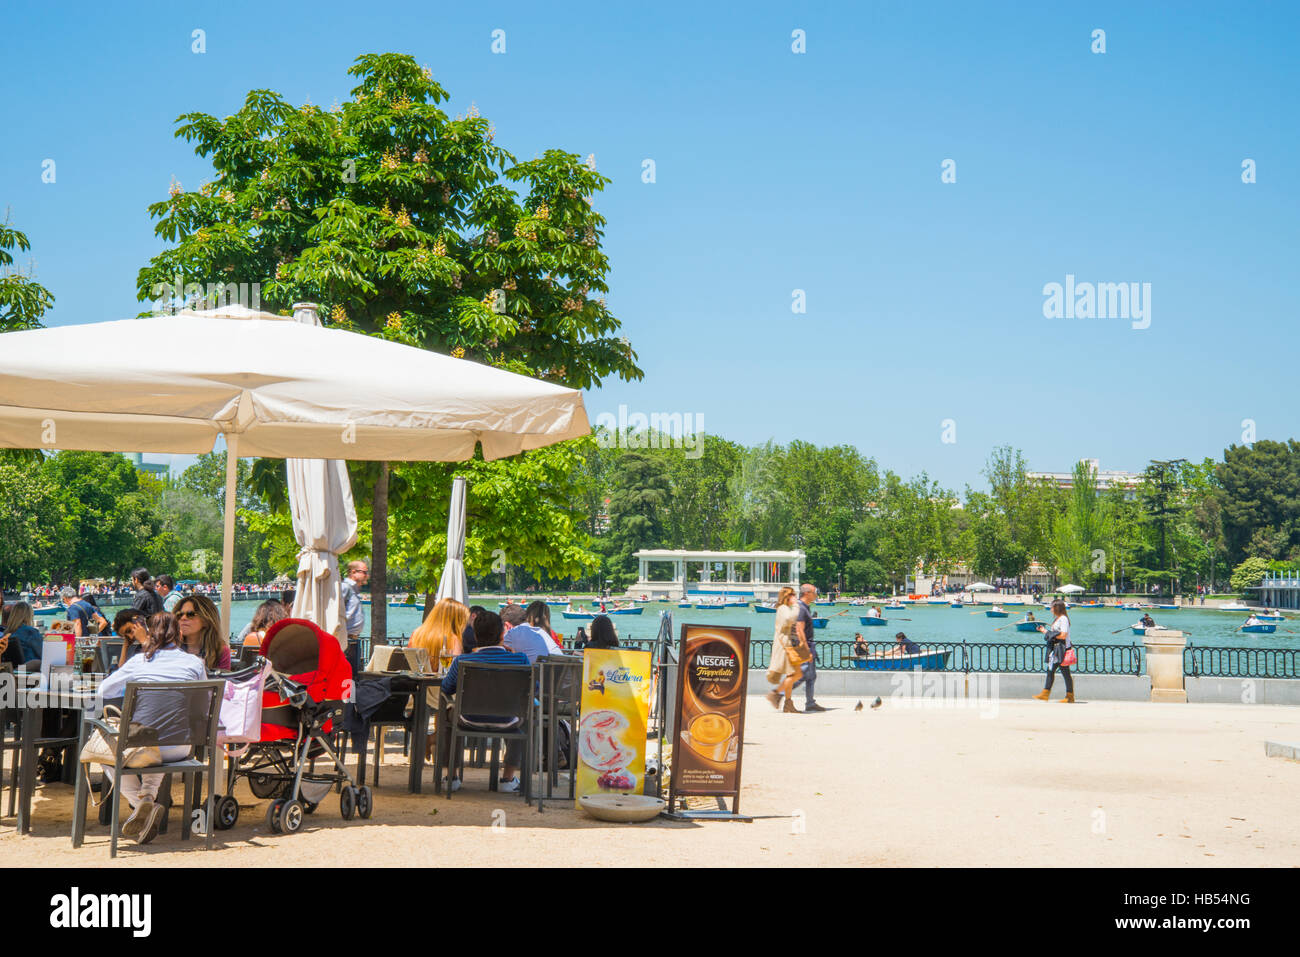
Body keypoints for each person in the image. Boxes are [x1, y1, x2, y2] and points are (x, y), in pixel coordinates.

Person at [96, 611, 207, 845]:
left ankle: (141, 805)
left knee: (106, 755)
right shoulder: (195, 663)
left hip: (144, 745)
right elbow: (203, 703)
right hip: (180, 746)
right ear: (178, 634)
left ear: (150, 634)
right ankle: (147, 798)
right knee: (155, 743)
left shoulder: (139, 661)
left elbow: (103, 692)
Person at [437, 611, 529, 793]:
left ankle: (452, 776)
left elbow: (446, 688)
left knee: (446, 716)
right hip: (508, 721)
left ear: (475, 635)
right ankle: (508, 778)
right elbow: (531, 689)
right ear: (503, 634)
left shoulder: (462, 661)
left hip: (468, 719)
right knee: (525, 715)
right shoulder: (520, 660)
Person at [764, 586, 802, 713]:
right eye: (793, 595)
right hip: (785, 646)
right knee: (796, 674)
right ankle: (775, 694)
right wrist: (796, 606)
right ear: (788, 597)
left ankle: (787, 702)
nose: (795, 598)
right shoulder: (783, 609)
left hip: (788, 645)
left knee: (792, 674)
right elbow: (789, 620)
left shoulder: (784, 609)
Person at [173, 593, 231, 671]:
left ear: (206, 620)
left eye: (190, 614)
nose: (183, 618)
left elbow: (223, 682)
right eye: (179, 615)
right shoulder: (170, 647)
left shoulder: (220, 651)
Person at [791, 583, 825, 712]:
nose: (816, 595)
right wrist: (806, 650)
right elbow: (799, 630)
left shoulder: (805, 607)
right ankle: (780, 693)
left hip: (809, 645)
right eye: (814, 592)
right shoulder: (801, 607)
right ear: (807, 593)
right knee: (803, 675)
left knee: (811, 676)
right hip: (806, 646)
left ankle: (810, 702)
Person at [1032, 599, 1074, 703]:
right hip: (1056, 649)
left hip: (1062, 650)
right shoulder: (1058, 619)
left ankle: (1068, 696)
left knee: (1063, 673)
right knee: (1052, 671)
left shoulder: (1063, 619)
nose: (1050, 609)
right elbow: (1056, 634)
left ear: (1057, 608)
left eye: (1052, 607)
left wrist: (1049, 633)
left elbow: (1063, 635)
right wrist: (1044, 631)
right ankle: (1046, 693)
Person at [409, 597, 469, 670]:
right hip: (442, 680)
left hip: (417, 679)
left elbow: (410, 660)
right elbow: (455, 669)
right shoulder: (454, 639)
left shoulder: (416, 634)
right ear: (457, 621)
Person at [340, 560, 368, 676]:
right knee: (346, 678)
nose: (367, 575)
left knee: (352, 678)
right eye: (364, 572)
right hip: (345, 641)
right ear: (353, 572)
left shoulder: (354, 590)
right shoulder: (345, 588)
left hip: (352, 641)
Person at [1, 602, 43, 668]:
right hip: (30, 672)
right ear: (29, 615)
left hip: (12, 671)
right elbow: (43, 654)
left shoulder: (5, 634)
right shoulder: (30, 632)